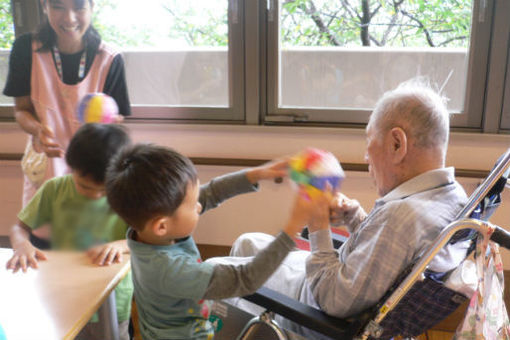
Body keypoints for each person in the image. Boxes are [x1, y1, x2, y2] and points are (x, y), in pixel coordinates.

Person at [224, 81, 469, 339]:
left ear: (397, 144)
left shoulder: (402, 219)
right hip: (342, 288)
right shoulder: (450, 198)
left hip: (313, 311)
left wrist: (318, 221)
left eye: (369, 140)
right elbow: (386, 257)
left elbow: (332, 300)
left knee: (215, 274)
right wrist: (356, 219)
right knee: (247, 243)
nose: (366, 157)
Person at [104, 143, 331, 340]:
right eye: (193, 206)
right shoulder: (172, 272)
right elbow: (246, 278)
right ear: (162, 225)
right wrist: (292, 227)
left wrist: (258, 174)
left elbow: (210, 193)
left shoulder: (151, 232)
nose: (200, 205)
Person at [2, 0, 131, 247]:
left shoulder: (110, 58)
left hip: (93, 171)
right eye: (58, 7)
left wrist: (111, 124)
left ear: (93, 7)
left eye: (79, 7)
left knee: (94, 247)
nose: (69, 18)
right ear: (44, 6)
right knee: (44, 244)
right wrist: (37, 130)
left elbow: (118, 120)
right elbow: (21, 110)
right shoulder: (25, 49)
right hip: (47, 166)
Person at [5, 123, 133, 339]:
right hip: (65, 297)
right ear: (71, 168)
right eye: (85, 186)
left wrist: (118, 245)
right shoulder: (55, 189)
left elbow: (146, 239)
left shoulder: (127, 195)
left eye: (104, 190)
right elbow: (20, 228)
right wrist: (22, 245)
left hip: (112, 300)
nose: (94, 195)